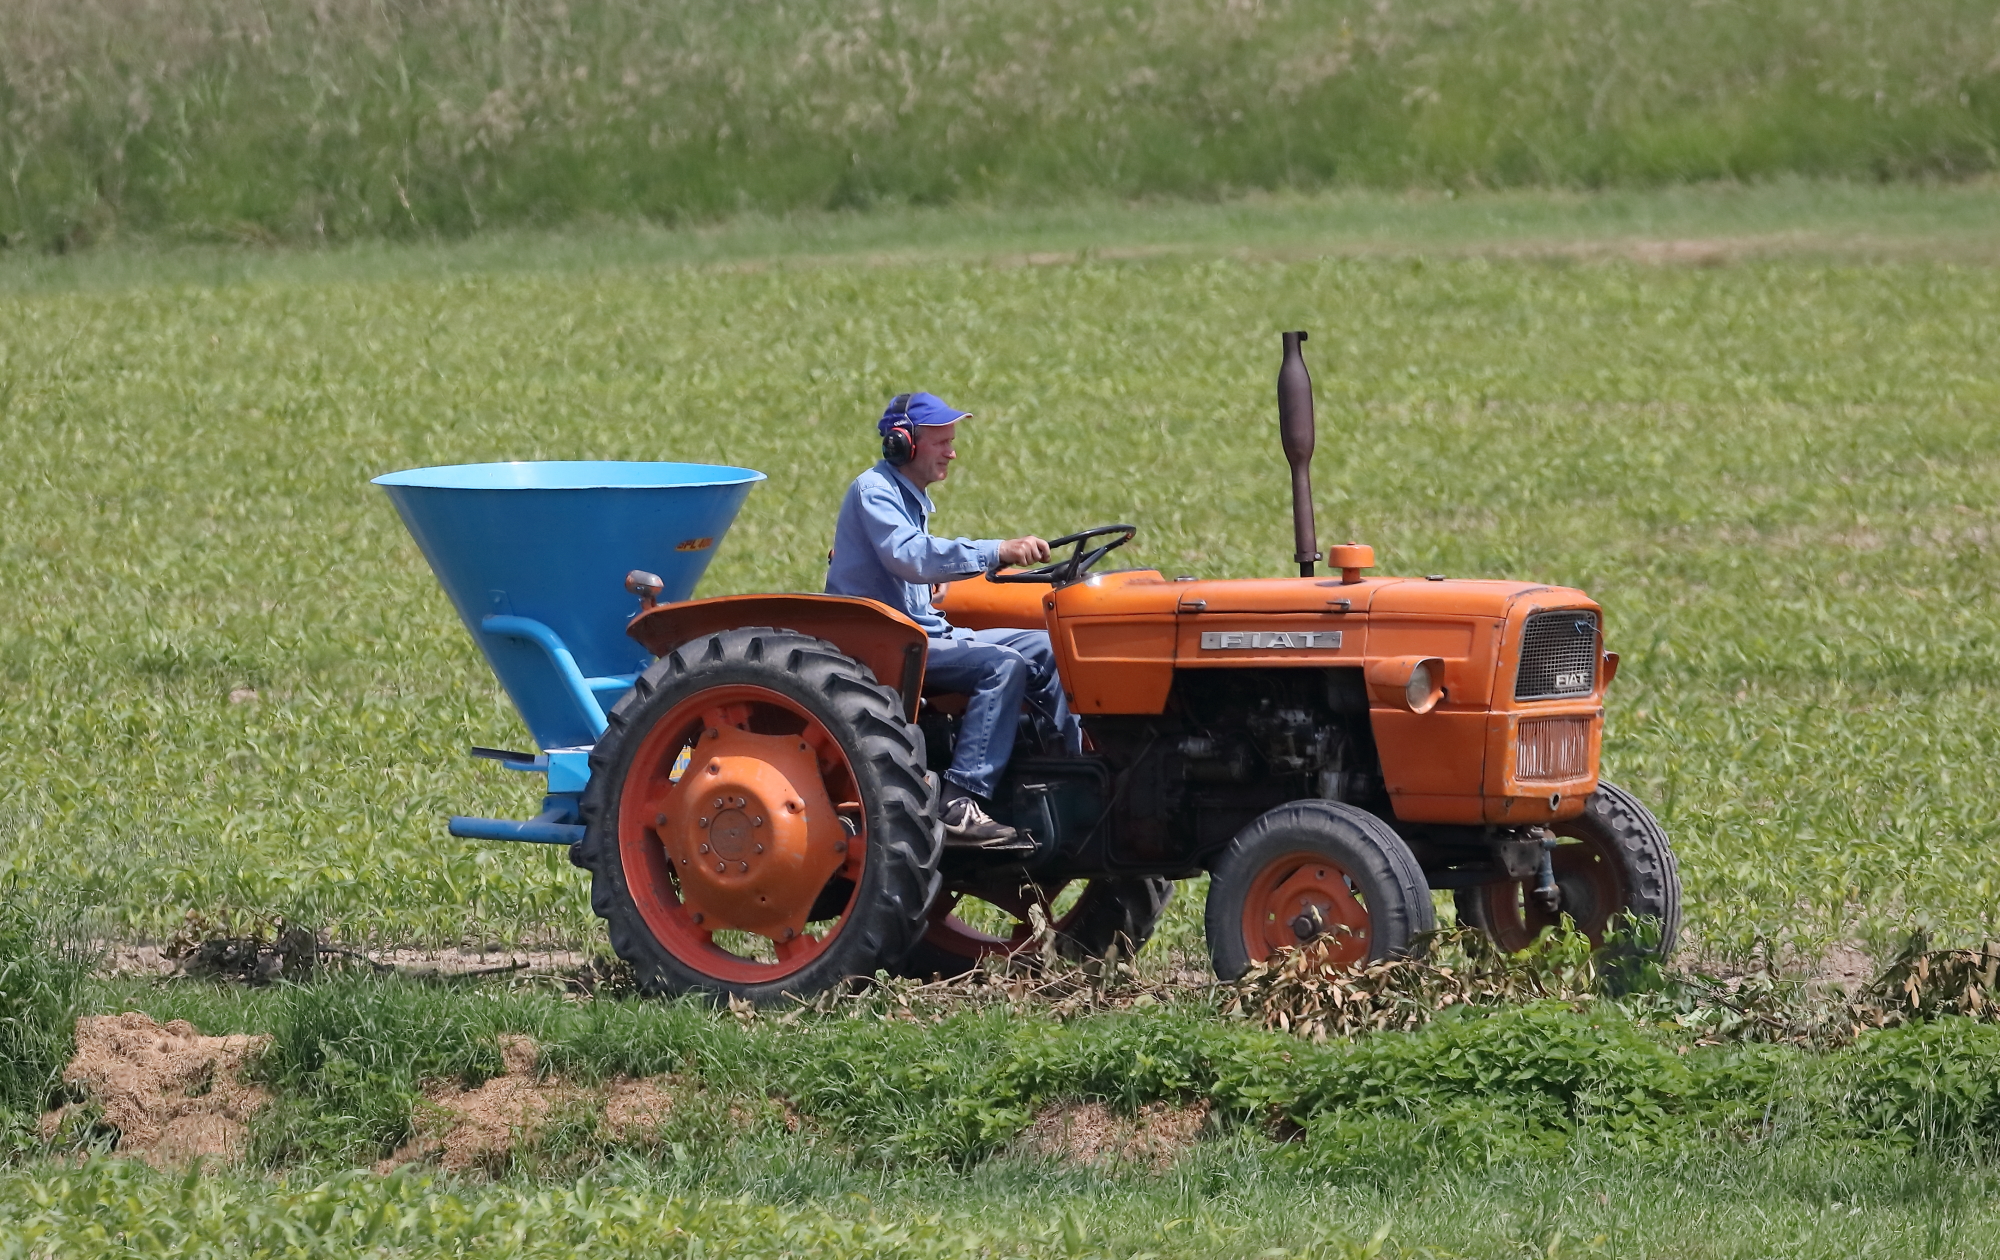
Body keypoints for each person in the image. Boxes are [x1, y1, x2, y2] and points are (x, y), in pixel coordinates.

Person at [825, 391, 1082, 846]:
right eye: (941, 442)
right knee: (1002, 665)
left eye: (952, 441)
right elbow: (908, 555)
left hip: (924, 630)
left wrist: (929, 582)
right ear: (902, 444)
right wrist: (996, 551)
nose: (952, 452)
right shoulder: (874, 490)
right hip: (890, 642)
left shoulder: (911, 499)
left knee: (1047, 645)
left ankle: (1076, 774)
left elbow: (909, 564)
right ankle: (962, 800)